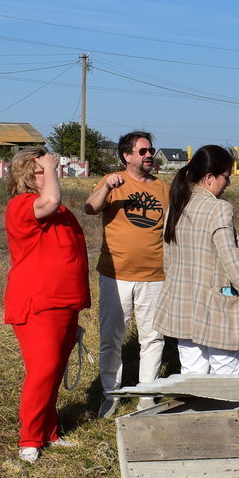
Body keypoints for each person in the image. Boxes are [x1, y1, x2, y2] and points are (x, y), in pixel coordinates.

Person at [4, 147, 90, 463]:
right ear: (27, 175)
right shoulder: (21, 205)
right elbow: (50, 200)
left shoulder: (58, 209)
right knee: (43, 371)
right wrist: (51, 168)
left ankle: (49, 432)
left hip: (63, 301)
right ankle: (30, 439)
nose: (50, 172)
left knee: (53, 372)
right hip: (37, 302)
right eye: (41, 169)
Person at [154, 145, 239, 375]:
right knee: (225, 380)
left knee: (192, 376)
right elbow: (231, 260)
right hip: (219, 309)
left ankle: (194, 413)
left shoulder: (177, 205)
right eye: (226, 177)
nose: (228, 183)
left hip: (183, 306)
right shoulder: (218, 209)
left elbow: (169, 260)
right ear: (209, 178)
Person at [83, 131, 168, 418]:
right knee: (111, 339)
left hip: (155, 276)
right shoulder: (113, 182)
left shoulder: (163, 189)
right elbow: (90, 208)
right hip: (115, 274)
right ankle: (111, 394)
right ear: (127, 156)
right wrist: (106, 186)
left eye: (150, 151)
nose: (148, 155)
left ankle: (146, 397)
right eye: (142, 151)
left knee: (153, 339)